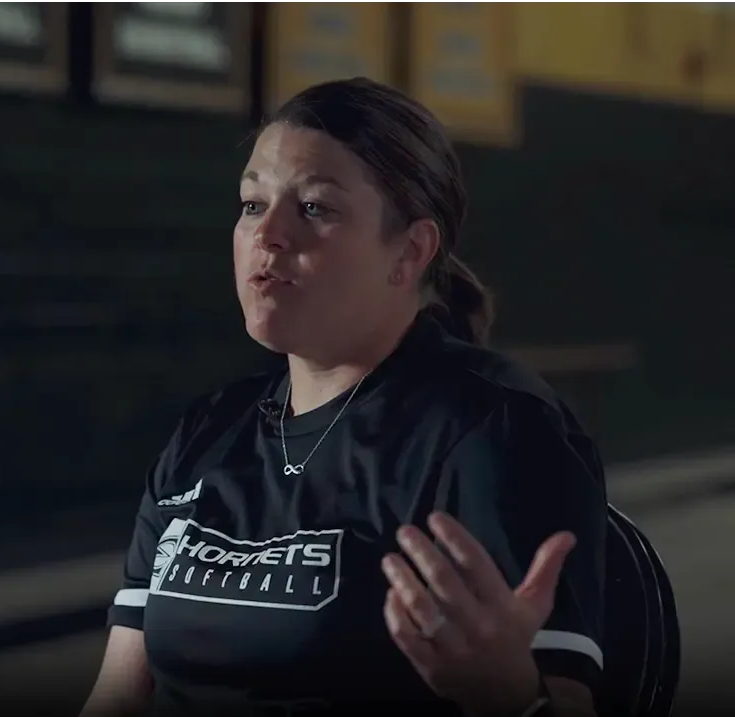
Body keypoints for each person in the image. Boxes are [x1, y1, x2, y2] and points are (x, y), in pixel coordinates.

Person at [82, 78, 607, 717]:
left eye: (314, 208)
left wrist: (511, 697)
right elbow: (118, 693)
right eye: (252, 204)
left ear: (409, 251)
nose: (268, 235)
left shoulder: (495, 429)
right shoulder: (207, 432)